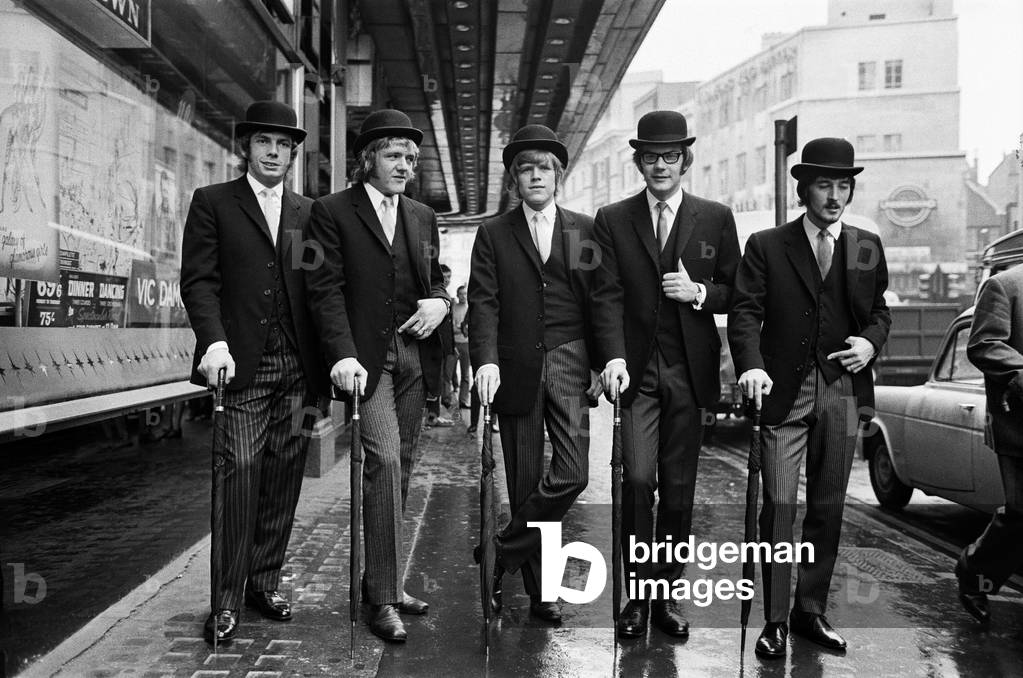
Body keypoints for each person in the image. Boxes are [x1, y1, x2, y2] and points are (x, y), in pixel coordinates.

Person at [728, 137, 891, 658]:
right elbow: (745, 313)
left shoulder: (866, 245)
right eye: (825, 184)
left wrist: (870, 341)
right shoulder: (767, 245)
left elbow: (879, 312)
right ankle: (773, 619)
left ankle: (810, 612)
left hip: (843, 391)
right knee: (779, 506)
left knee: (827, 505)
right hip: (783, 391)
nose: (835, 195)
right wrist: (751, 366)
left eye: (844, 185)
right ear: (804, 190)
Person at [180, 100, 328, 644]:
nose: (274, 152)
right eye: (264, 142)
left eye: (284, 144)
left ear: (293, 153)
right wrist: (213, 342)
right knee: (239, 469)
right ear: (247, 147)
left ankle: (263, 581)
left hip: (298, 365)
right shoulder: (214, 202)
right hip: (239, 362)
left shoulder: (310, 212)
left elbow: (322, 288)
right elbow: (198, 281)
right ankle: (224, 600)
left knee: (284, 474)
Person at [591, 111, 740, 639]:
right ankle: (635, 595)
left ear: (685, 161)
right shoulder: (612, 218)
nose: (660, 165)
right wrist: (610, 357)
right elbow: (605, 294)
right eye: (650, 157)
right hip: (636, 374)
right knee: (637, 480)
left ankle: (665, 596)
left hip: (689, 370)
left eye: (670, 156)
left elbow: (735, 291)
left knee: (678, 489)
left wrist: (698, 293)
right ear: (638, 162)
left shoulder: (716, 217)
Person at [303, 109, 449, 643]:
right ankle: (381, 599)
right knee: (383, 459)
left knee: (403, 466)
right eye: (394, 155)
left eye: (411, 158)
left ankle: (386, 579)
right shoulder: (332, 211)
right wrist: (340, 353)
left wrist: (440, 302)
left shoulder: (421, 215)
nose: (405, 165)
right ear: (368, 159)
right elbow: (323, 288)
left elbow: (434, 280)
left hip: (414, 355)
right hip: (365, 360)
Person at [469, 124, 602, 623]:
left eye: (544, 168)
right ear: (514, 181)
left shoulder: (585, 229)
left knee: (573, 473)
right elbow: (483, 303)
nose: (535, 176)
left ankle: (499, 551)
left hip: (570, 359)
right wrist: (485, 360)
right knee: (525, 483)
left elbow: (599, 299)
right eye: (526, 169)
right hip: (515, 367)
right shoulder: (494, 233)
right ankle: (542, 590)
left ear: (558, 176)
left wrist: (600, 358)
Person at [956, 263, 1023, 625]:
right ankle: (973, 572)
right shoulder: (1005, 285)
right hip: (1019, 427)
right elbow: (983, 344)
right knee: (1021, 515)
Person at [452, 284, 471, 409]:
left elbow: (472, 329)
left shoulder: (470, 309)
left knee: (466, 374)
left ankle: (463, 400)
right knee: (450, 373)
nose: (463, 296)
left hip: (467, 344)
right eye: (461, 294)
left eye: (465, 293)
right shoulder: (453, 308)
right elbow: (451, 328)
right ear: (457, 295)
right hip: (454, 343)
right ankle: (449, 400)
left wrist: (460, 327)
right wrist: (462, 328)